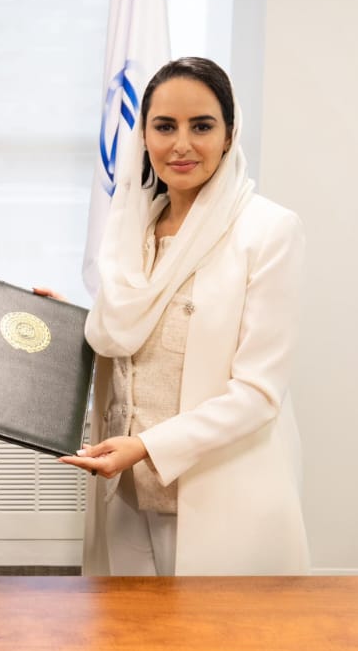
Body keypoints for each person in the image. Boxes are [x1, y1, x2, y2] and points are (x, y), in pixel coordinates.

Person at [52, 57, 308, 576]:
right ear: (143, 136)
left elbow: (258, 393)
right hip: (126, 492)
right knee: (127, 627)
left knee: (214, 631)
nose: (181, 144)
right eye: (165, 126)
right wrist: (60, 323)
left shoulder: (267, 231)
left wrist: (145, 446)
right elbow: (130, 335)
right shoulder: (131, 228)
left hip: (218, 494)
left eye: (202, 126)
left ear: (230, 134)